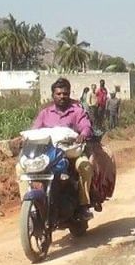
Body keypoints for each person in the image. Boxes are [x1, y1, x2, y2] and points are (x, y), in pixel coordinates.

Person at [17, 78, 95, 220]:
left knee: (85, 167)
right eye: (58, 94)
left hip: (70, 151)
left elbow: (86, 126)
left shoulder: (76, 111)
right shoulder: (45, 113)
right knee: (20, 168)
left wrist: (83, 135)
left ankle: (84, 205)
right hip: (47, 154)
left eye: (65, 93)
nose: (62, 96)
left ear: (69, 94)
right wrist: (24, 139)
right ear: (53, 95)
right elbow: (35, 130)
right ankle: (26, 205)